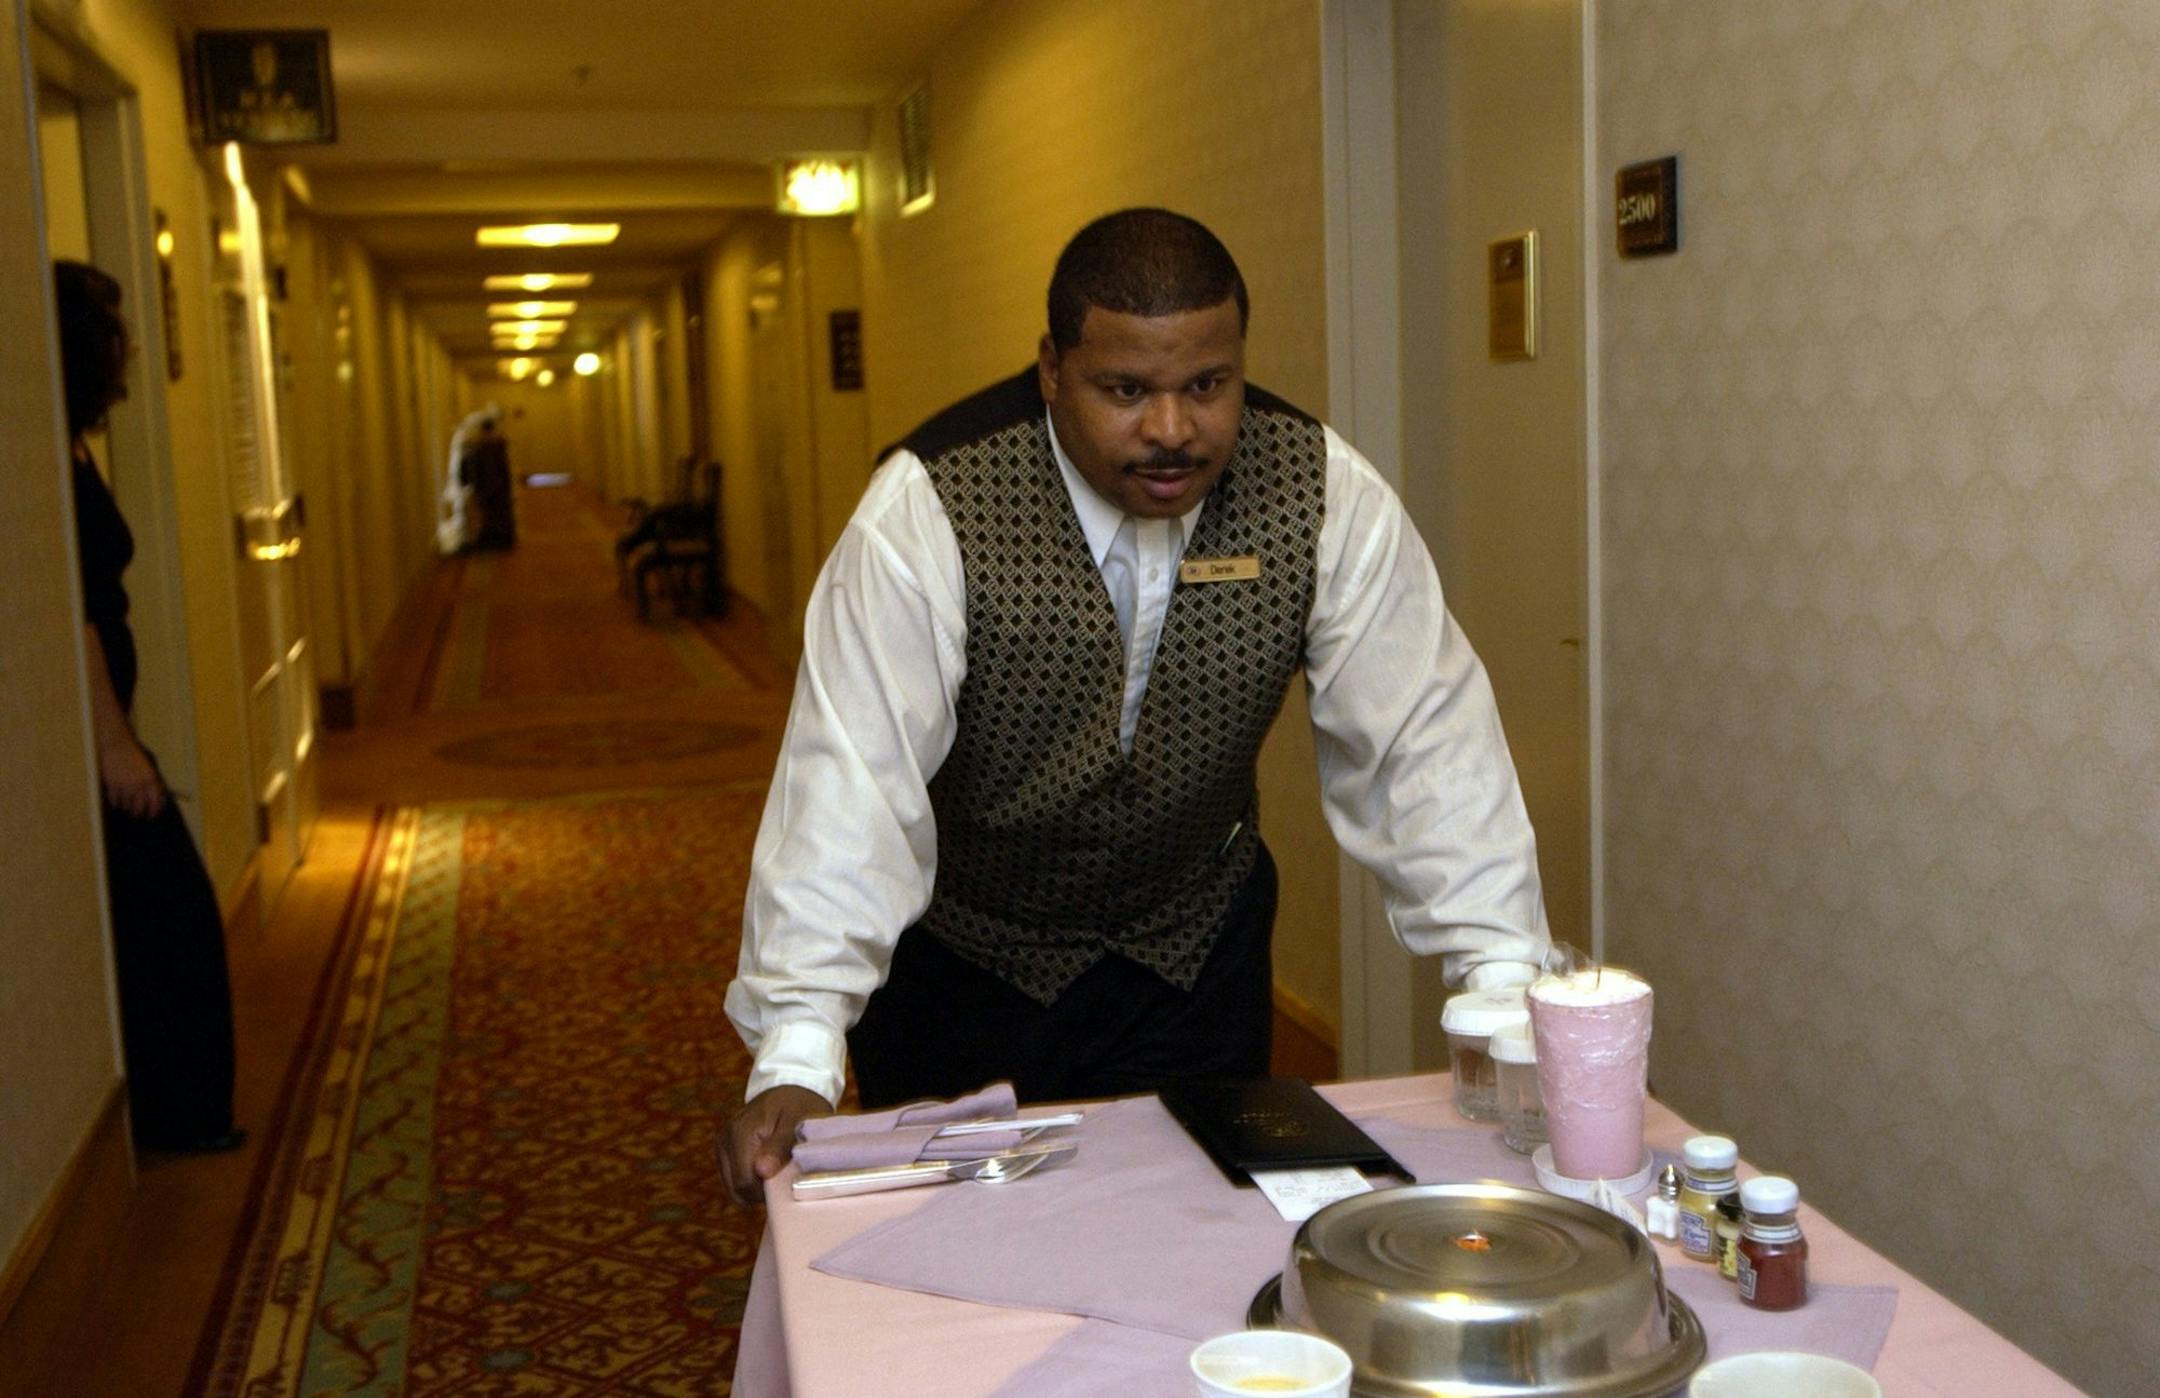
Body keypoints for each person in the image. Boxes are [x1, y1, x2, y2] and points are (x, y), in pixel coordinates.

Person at [720, 209, 1550, 1202]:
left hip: (1195, 953)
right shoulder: (929, 508)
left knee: (1210, 1226)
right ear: (1052, 368)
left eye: (1207, 385)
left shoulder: (1322, 492)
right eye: (1126, 390)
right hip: (971, 966)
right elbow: (850, 779)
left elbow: (1428, 742)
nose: (1171, 429)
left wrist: (1502, 981)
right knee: (968, 1251)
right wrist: (800, 1049)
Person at [55, 260, 243, 1154]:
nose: (130, 349)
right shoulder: (44, 457)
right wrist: (114, 744)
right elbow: (76, 610)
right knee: (173, 921)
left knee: (161, 926)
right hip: (98, 739)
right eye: (116, 334)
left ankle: (181, 1117)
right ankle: (174, 1121)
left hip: (106, 726)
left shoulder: (72, 443)